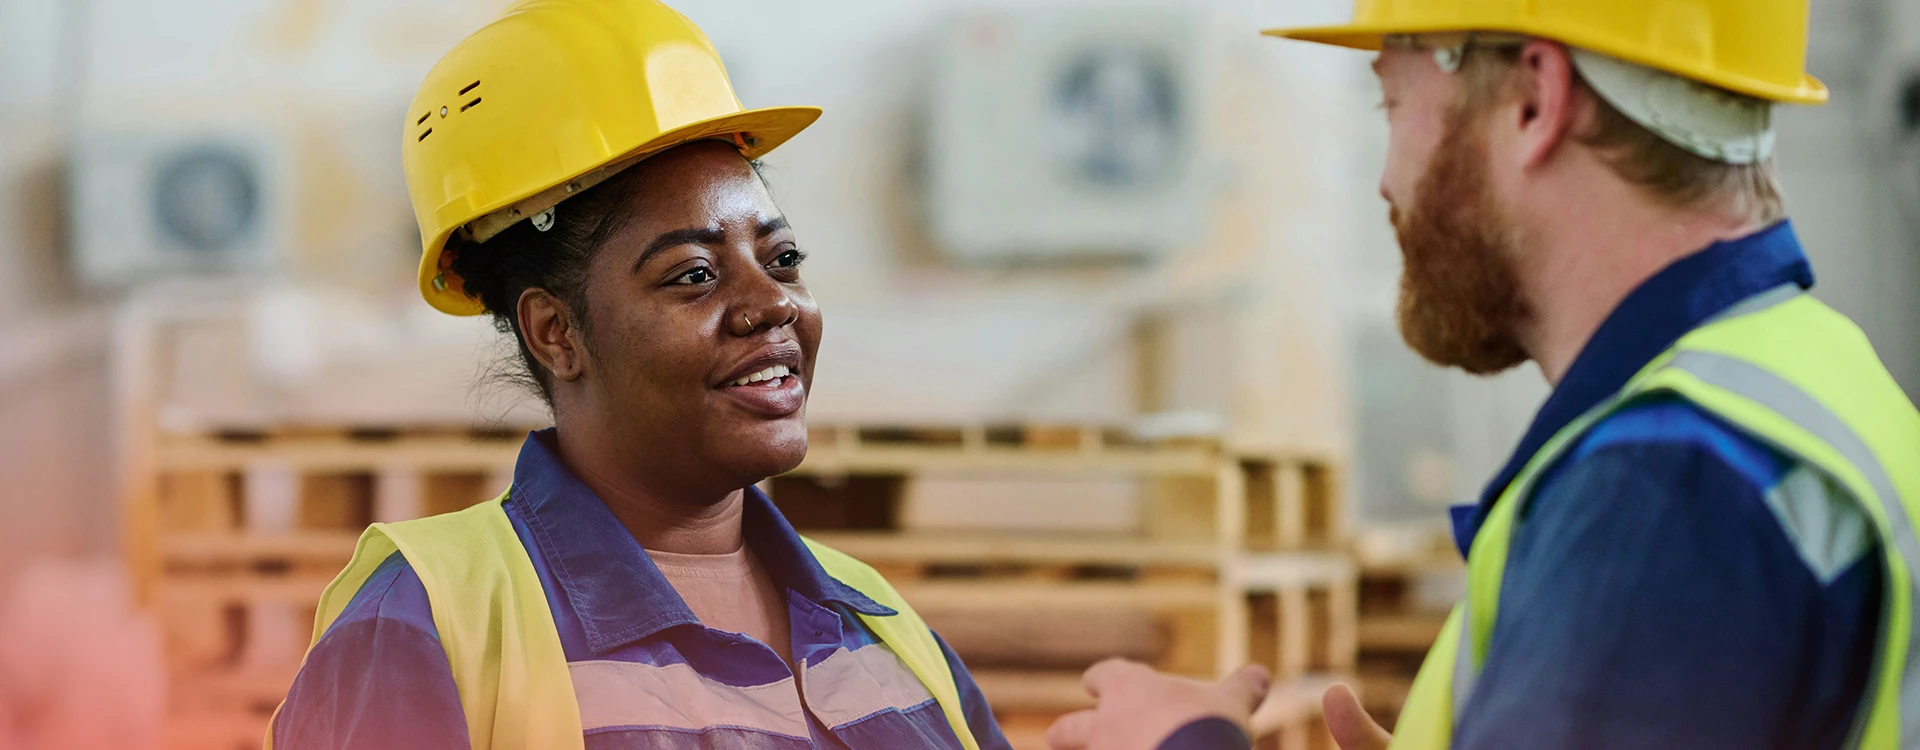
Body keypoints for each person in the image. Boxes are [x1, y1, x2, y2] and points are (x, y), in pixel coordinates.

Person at [1048, 1, 1920, 749]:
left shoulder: (1668, 487)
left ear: (1535, 100)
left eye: (1393, 104)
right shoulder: (1807, 371)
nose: (1387, 181)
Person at [265, 2, 1011, 748]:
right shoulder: (428, 618)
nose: (773, 303)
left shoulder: (877, 621)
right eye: (694, 274)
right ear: (555, 333)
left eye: (782, 260)